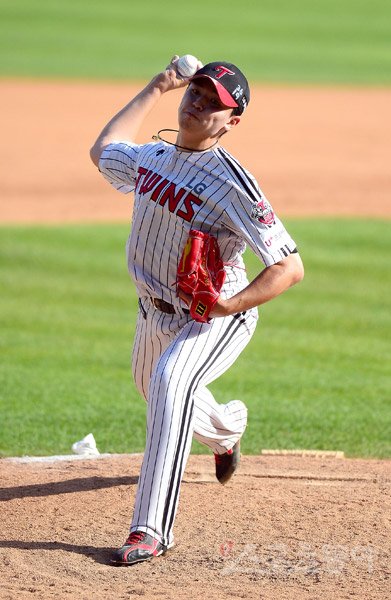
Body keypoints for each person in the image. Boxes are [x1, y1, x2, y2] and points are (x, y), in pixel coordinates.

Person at [90, 56, 304, 566]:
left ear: (231, 122)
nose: (200, 104)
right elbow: (102, 151)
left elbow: (289, 267)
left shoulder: (233, 184)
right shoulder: (153, 158)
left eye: (215, 104)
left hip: (213, 318)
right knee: (154, 385)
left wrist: (230, 303)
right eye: (197, 93)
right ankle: (226, 431)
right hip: (153, 312)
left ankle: (150, 529)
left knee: (169, 383)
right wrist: (157, 86)